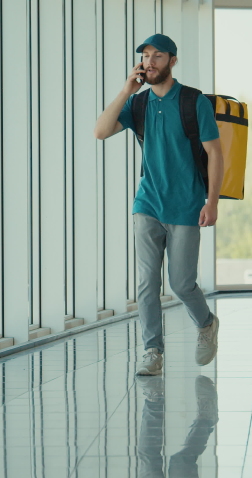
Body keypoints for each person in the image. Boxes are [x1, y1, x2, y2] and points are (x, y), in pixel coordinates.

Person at [94, 34, 224, 375]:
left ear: (173, 61)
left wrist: (212, 202)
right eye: (146, 56)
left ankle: (207, 323)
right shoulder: (138, 104)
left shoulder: (194, 102)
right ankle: (153, 351)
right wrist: (126, 91)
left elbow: (215, 154)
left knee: (182, 283)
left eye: (158, 56)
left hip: (186, 205)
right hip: (147, 202)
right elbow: (100, 131)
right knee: (147, 282)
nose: (150, 62)